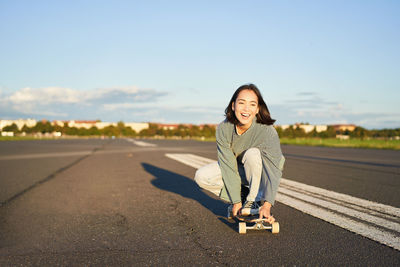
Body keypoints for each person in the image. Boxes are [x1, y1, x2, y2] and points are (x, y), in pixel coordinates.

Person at [194, 83, 285, 224]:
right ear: (233, 105)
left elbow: (273, 170)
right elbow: (228, 166)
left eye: (252, 104)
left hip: (262, 173)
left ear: (257, 109)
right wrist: (236, 200)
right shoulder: (224, 128)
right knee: (202, 176)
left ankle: (254, 201)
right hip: (238, 169)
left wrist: (267, 205)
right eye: (241, 103)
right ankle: (244, 197)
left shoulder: (267, 131)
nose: (246, 109)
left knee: (253, 153)